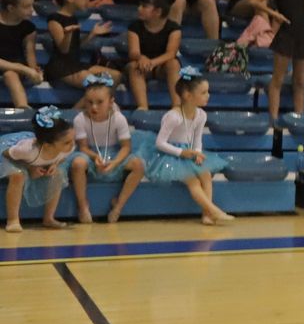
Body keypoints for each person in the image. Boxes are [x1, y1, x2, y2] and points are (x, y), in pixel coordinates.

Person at [145, 68, 232, 225]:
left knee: (205, 174)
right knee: (193, 180)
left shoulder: (201, 115)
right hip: (170, 155)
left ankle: (207, 215)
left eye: (208, 91)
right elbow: (160, 143)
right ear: (187, 95)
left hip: (189, 152)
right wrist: (181, 152)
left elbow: (197, 138)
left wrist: (197, 153)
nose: (208, 95)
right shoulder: (173, 116)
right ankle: (214, 210)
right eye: (204, 92)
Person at [68, 74, 149, 224]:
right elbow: (83, 147)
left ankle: (118, 205)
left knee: (138, 165)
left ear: (111, 102)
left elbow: (126, 147)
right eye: (89, 102)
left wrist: (115, 162)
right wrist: (94, 157)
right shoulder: (80, 119)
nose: (93, 107)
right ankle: (83, 205)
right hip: (92, 153)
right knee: (78, 163)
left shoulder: (118, 119)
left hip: (115, 153)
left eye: (99, 102)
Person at [2, 106, 75, 231]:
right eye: (67, 142)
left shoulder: (68, 147)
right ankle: (13, 220)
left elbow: (61, 157)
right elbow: (6, 154)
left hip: (33, 158)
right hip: (7, 152)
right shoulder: (27, 149)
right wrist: (30, 167)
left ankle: (49, 218)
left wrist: (54, 165)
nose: (73, 144)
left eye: (72, 140)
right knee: (18, 175)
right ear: (48, 145)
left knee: (58, 173)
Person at [42, 0, 121, 89]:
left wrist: (92, 34)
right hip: (60, 67)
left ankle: (103, 105)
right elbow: (64, 49)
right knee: (94, 84)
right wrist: (68, 34)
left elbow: (76, 46)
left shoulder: (73, 18)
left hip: (75, 64)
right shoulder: (54, 19)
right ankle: (93, 105)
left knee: (116, 76)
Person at [125, 0, 182, 111]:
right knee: (134, 67)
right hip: (142, 65)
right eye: (139, 5)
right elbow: (133, 52)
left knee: (174, 63)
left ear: (158, 11)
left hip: (161, 66)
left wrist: (152, 63)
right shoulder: (134, 27)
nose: (139, 8)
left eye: (144, 6)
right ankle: (143, 106)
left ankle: (177, 105)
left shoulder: (174, 28)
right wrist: (141, 58)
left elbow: (171, 53)